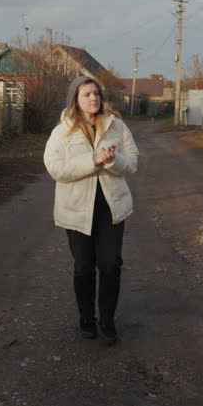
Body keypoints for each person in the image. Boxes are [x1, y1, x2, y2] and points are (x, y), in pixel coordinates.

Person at [43, 76, 139, 345]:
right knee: (84, 267)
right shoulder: (62, 132)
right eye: (86, 94)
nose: (93, 98)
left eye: (96, 93)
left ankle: (108, 320)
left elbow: (131, 164)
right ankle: (87, 319)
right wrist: (93, 160)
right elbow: (56, 169)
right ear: (75, 99)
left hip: (111, 208)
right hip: (76, 210)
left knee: (110, 265)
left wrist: (111, 160)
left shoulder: (116, 127)